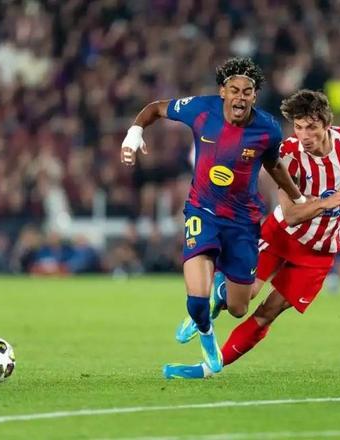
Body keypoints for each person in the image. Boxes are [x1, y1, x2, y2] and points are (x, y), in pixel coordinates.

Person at [164, 90, 340, 379]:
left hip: (320, 251)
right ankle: (213, 302)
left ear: (327, 124)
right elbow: (291, 214)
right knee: (243, 297)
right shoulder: (289, 154)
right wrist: (327, 202)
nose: (304, 135)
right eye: (298, 127)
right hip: (280, 234)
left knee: (267, 313)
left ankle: (209, 367)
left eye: (311, 127)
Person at [120, 57, 303, 375]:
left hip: (244, 222)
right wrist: (134, 133)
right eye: (234, 90)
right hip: (202, 212)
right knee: (196, 300)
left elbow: (273, 164)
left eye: (247, 91)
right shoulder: (201, 109)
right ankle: (206, 333)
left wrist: (298, 196)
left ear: (254, 96)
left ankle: (221, 294)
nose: (240, 97)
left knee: (239, 308)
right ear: (223, 92)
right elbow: (155, 108)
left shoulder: (268, 129)